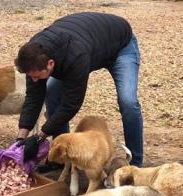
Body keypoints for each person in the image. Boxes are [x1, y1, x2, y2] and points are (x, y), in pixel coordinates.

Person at [14, 12, 144, 168]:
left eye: (37, 76)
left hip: (120, 46)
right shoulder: (32, 56)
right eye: (31, 76)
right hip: (90, 44)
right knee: (52, 92)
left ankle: (135, 163)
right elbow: (34, 98)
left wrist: (40, 137)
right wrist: (20, 140)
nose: (34, 80)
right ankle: (60, 157)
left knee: (128, 101)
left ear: (50, 64)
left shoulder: (75, 56)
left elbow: (71, 104)